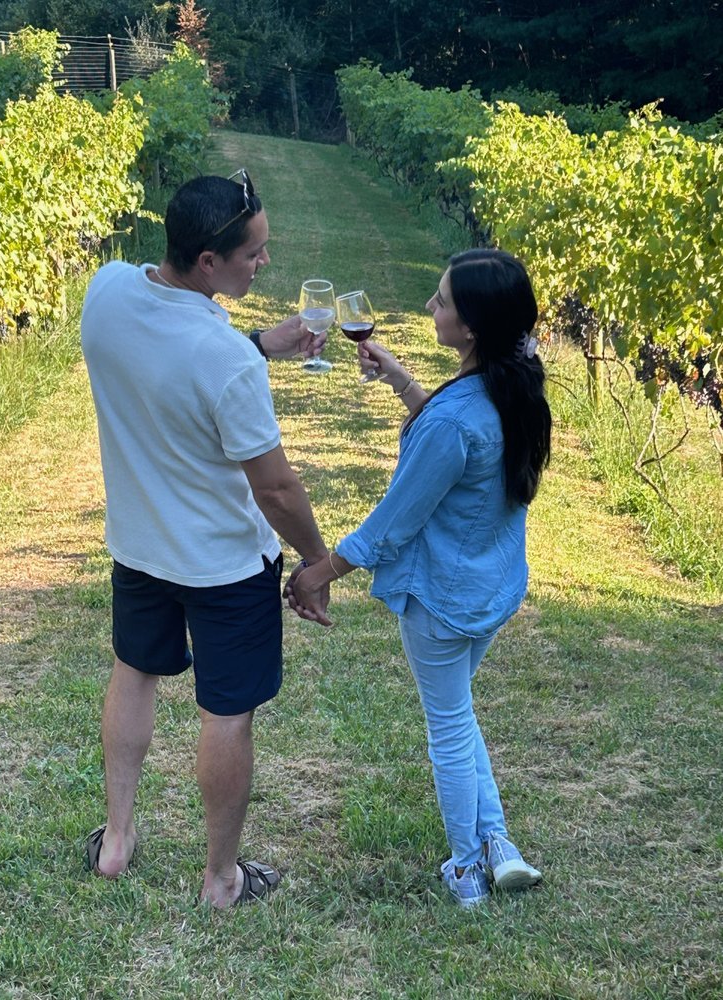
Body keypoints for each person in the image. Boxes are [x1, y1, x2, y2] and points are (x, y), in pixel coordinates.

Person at [80, 170, 331, 909]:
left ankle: (117, 840)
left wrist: (257, 344)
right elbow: (276, 489)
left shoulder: (107, 291)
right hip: (224, 564)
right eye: (253, 253)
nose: (264, 263)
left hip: (138, 546)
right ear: (209, 261)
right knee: (226, 713)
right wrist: (318, 559)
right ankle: (221, 879)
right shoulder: (225, 361)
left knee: (134, 672)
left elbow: (167, 358)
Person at [289, 248, 552, 908]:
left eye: (442, 300)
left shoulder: (456, 419)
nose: (430, 306)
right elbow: (458, 443)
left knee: (448, 730)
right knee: (459, 714)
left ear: (473, 327)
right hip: (490, 590)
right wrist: (403, 380)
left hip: (442, 601)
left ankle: (466, 869)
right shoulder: (513, 388)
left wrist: (320, 572)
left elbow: (392, 524)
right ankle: (498, 844)